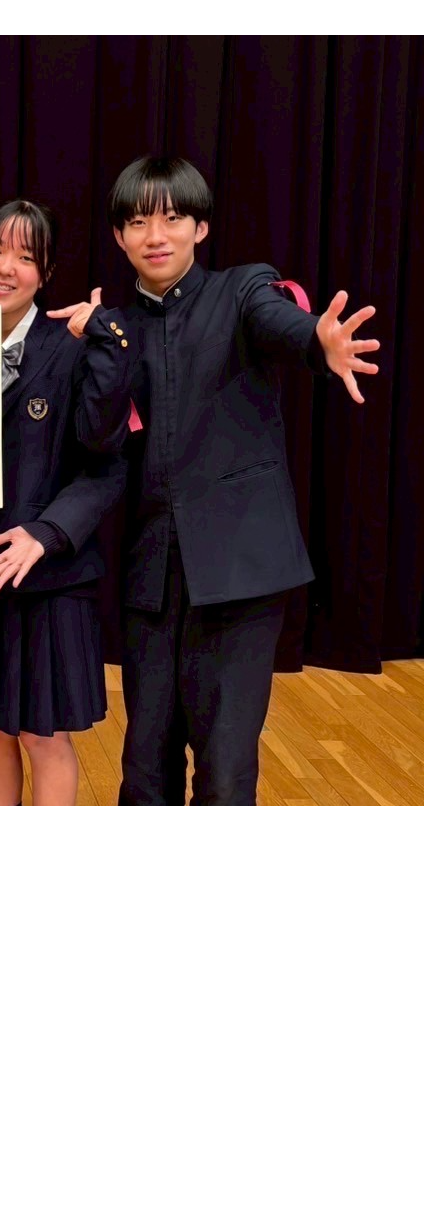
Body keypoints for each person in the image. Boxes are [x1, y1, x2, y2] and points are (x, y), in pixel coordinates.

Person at [48, 155, 380, 806]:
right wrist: (102, 344)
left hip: (241, 572)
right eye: (138, 222)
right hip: (150, 577)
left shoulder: (242, 289)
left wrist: (319, 341)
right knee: (145, 773)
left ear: (200, 227)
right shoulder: (117, 328)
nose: (156, 235)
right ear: (118, 236)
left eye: (173, 218)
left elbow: (280, 323)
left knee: (226, 775)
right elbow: (95, 442)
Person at [0, 198, 127, 806]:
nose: (4, 267)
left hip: (51, 577)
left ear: (47, 273)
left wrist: (46, 533)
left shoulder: (76, 346)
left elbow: (108, 463)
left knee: (44, 736)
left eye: (25, 256)